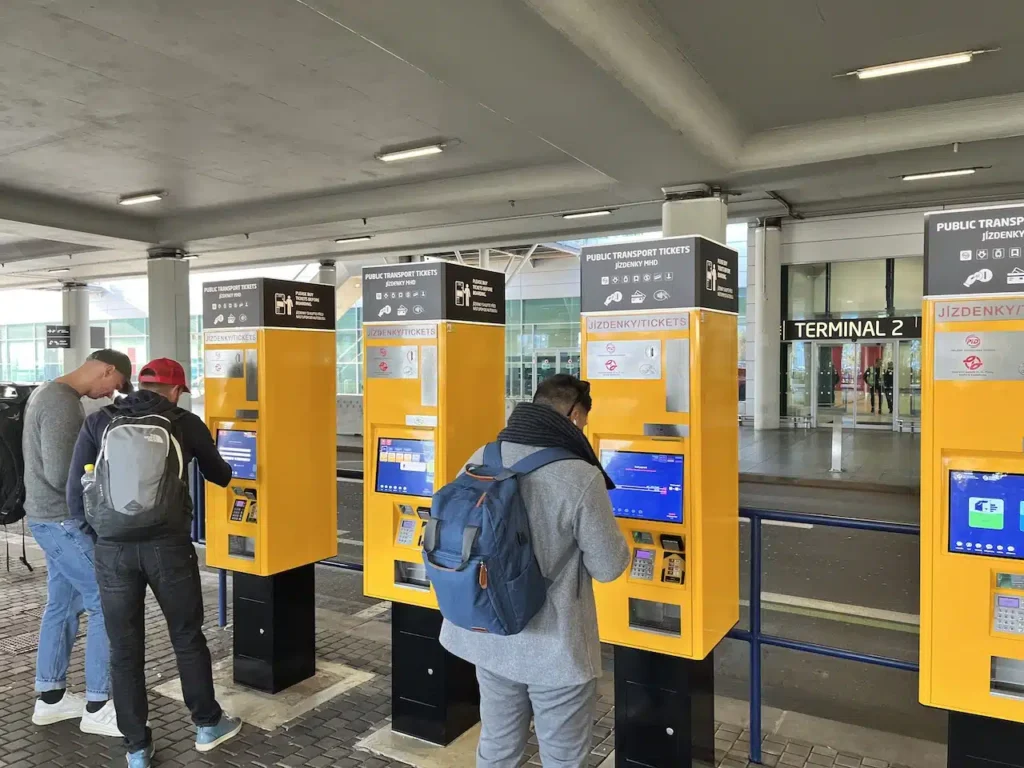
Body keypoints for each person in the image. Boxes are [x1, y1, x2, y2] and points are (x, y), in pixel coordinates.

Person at [440, 374, 630, 768]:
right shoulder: (579, 476)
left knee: (496, 747)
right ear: (575, 414)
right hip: (554, 648)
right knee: (562, 757)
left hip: (489, 633)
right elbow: (609, 567)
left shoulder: (482, 455)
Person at [66, 358, 241, 768]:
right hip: (169, 548)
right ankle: (207, 724)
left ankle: (137, 747)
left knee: (124, 649)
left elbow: (76, 497)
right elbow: (222, 475)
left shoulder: (100, 421)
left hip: (113, 551)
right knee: (186, 636)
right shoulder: (184, 421)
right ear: (177, 390)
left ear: (136, 383)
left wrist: (107, 538)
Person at [23, 349, 133, 737]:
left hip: (46, 519)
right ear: (107, 369)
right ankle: (98, 705)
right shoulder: (62, 404)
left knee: (63, 605)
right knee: (105, 602)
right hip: (63, 522)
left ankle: (50, 699)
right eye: (113, 386)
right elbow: (60, 473)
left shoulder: (46, 392)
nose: (108, 395)